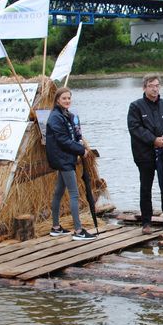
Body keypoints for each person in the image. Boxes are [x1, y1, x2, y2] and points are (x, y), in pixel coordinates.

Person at [127, 73, 163, 234]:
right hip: (145, 155)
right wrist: (153, 140)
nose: (155, 89)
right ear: (144, 88)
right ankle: (146, 223)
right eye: (151, 86)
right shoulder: (135, 106)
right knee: (146, 187)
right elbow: (135, 128)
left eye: (157, 85)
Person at [45, 87, 97, 241]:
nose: (67, 101)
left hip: (65, 158)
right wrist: (81, 150)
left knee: (59, 192)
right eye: (64, 98)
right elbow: (63, 140)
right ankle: (79, 231)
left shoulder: (66, 115)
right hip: (63, 159)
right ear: (57, 100)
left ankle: (55, 227)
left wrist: (79, 140)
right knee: (74, 194)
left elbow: (73, 135)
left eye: (69, 98)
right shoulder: (55, 117)